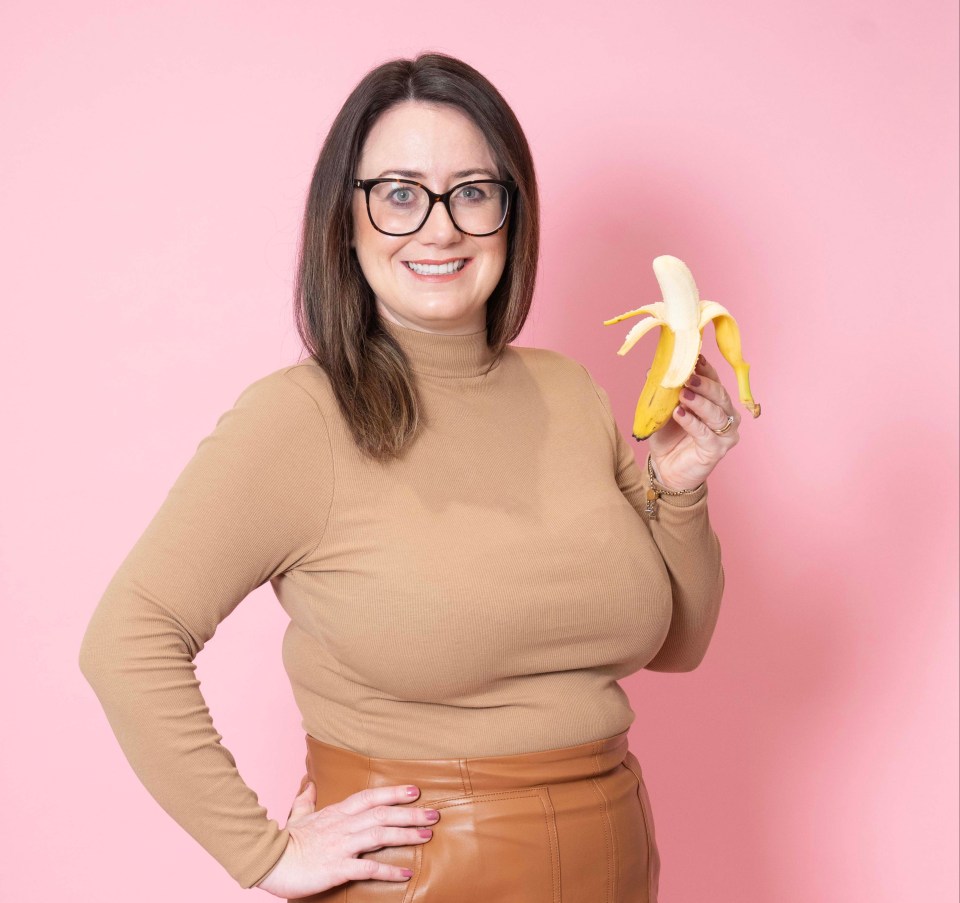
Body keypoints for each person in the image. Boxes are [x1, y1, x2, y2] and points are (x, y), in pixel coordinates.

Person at [79, 52, 736, 902]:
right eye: (398, 193)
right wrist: (266, 853)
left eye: (472, 191)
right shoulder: (300, 419)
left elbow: (679, 644)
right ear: (344, 221)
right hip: (423, 874)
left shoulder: (569, 392)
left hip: (614, 854)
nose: (440, 228)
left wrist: (678, 486)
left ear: (511, 212)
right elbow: (126, 639)